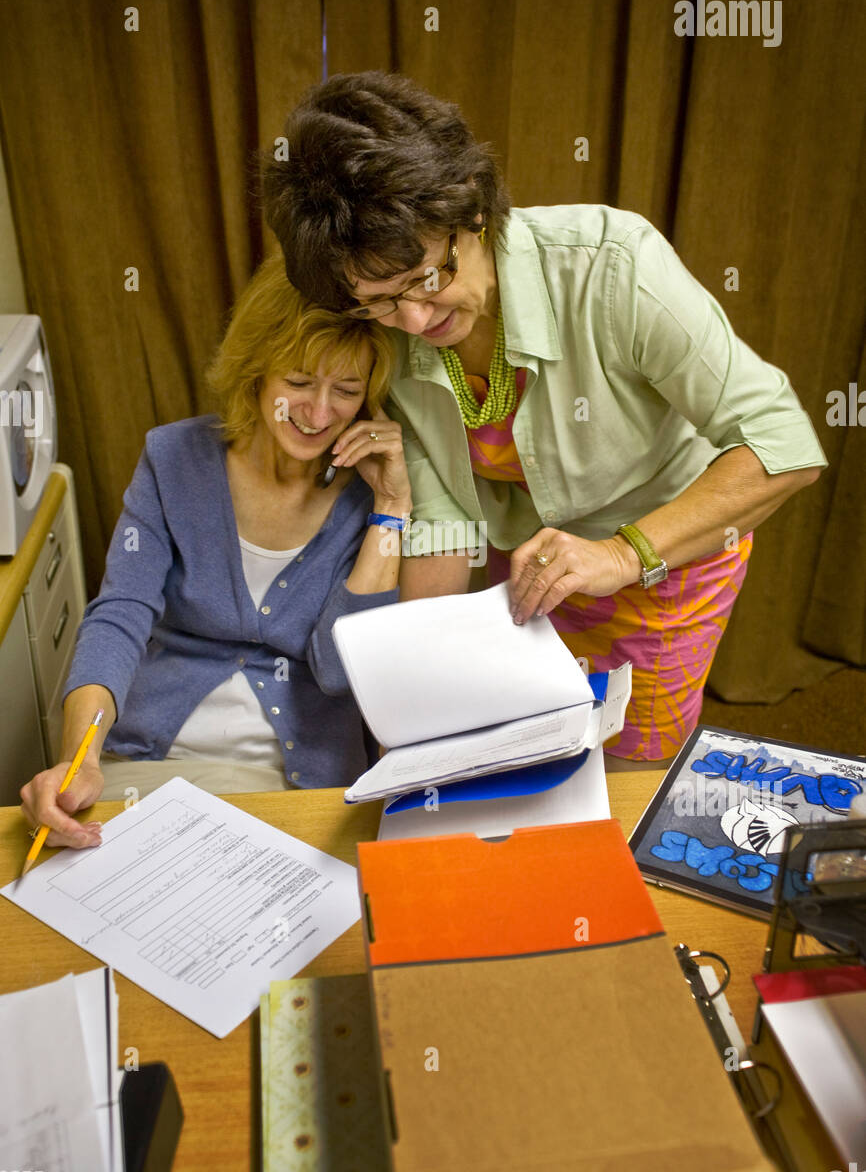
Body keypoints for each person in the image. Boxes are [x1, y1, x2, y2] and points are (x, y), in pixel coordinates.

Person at [259, 70, 827, 769]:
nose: (412, 319)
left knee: (628, 772)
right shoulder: (394, 332)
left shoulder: (612, 265)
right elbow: (445, 519)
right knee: (532, 751)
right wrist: (415, 688)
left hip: (667, 561)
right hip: (534, 563)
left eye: (425, 278)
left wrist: (621, 555)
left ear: (470, 211)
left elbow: (784, 447)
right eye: (376, 301)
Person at [20, 252, 412, 849]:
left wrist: (391, 511)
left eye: (347, 391)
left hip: (297, 786)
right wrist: (80, 760)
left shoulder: (366, 496)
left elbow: (339, 673)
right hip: (149, 766)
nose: (318, 413)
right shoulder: (173, 460)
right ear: (256, 370)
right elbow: (119, 617)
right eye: (299, 383)